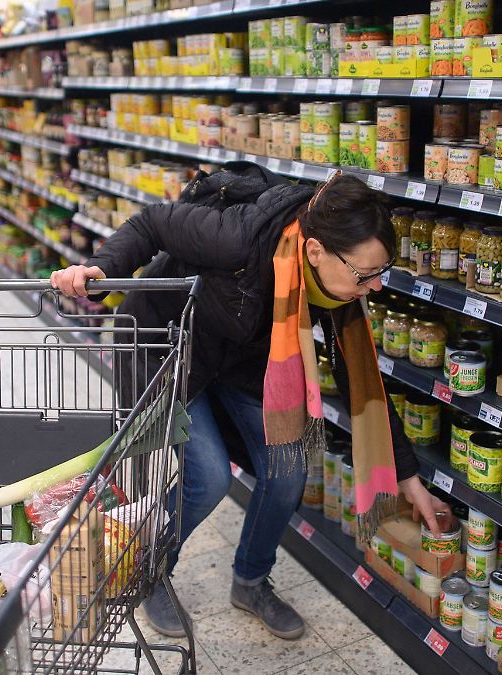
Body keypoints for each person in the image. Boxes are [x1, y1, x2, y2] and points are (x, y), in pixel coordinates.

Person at [51, 166, 455, 641]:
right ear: (316, 250)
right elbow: (153, 223)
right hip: (169, 350)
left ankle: (250, 581)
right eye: (367, 275)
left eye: (380, 273)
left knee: (289, 471)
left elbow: (359, 383)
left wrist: (406, 477)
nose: (376, 288)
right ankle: (149, 570)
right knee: (208, 478)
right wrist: (102, 266)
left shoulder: (334, 282)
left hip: (238, 361)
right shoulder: (240, 239)